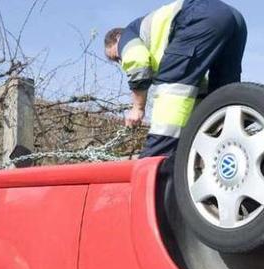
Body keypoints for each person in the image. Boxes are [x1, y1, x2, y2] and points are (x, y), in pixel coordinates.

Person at [104, 0, 247, 158]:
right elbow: (194, 87)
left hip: (199, 15)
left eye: (117, 56)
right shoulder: (160, 40)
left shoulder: (127, 35)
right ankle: (227, 146)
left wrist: (137, 108)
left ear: (117, 38)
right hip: (234, 19)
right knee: (222, 98)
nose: (120, 61)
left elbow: (138, 63)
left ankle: (157, 157)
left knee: (171, 87)